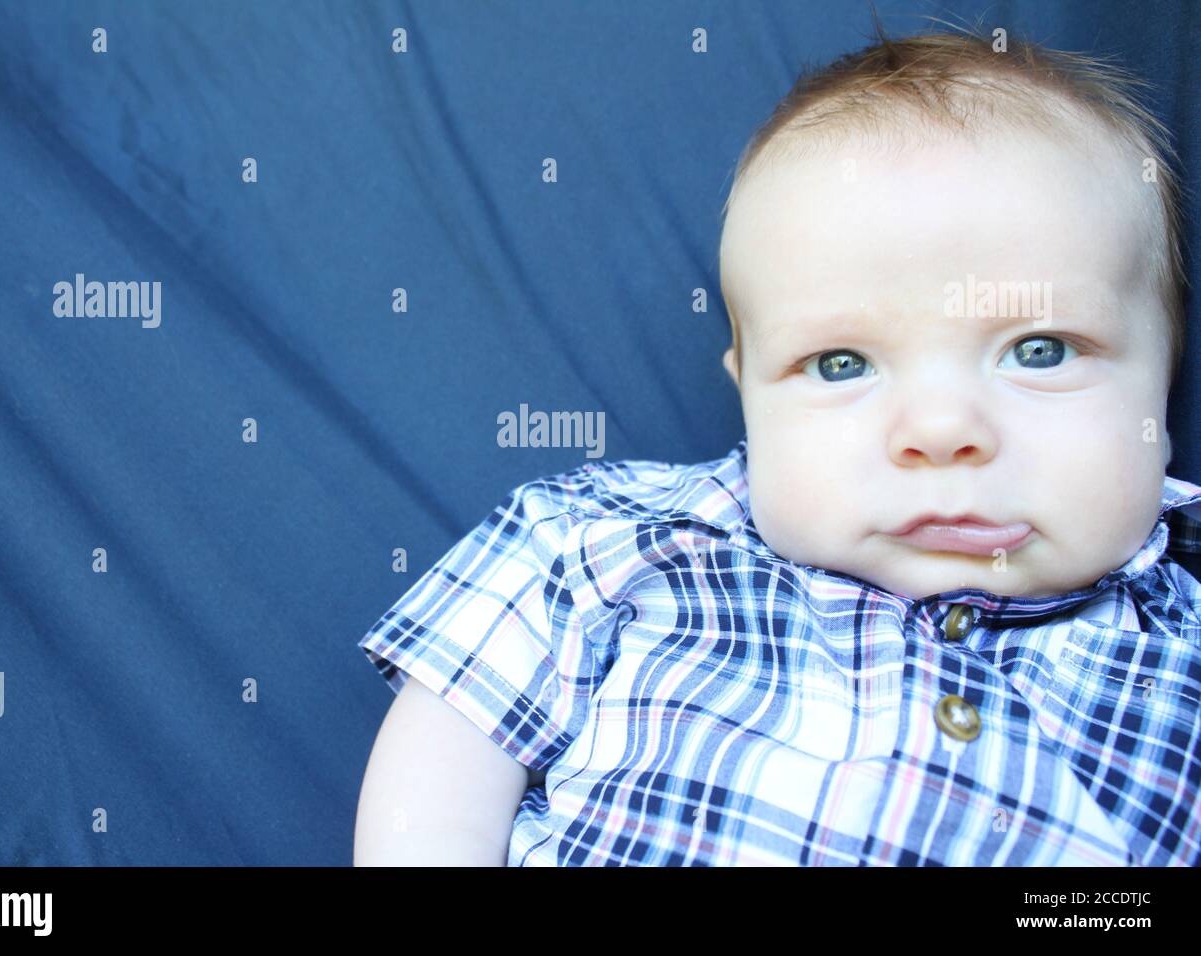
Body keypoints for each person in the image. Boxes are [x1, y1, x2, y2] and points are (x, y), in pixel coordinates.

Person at [353, 24, 1201, 866]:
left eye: (1040, 351)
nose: (942, 433)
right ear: (748, 386)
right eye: (840, 363)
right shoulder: (602, 537)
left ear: (1165, 377)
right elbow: (444, 766)